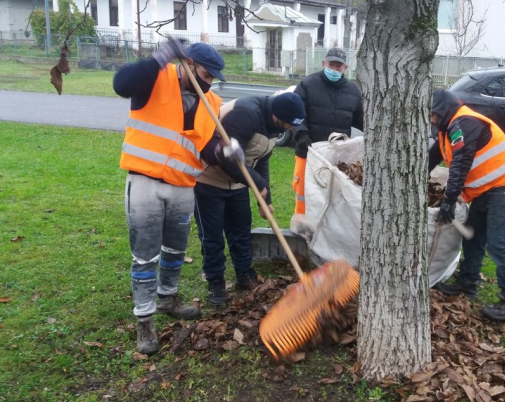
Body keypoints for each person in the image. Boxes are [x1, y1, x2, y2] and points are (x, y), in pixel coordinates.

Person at [113, 40, 241, 355]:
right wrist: (161, 58)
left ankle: (167, 298)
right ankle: (144, 319)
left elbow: (205, 146)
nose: (208, 81)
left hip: (184, 186)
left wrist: (224, 151)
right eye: (205, 73)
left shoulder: (211, 101)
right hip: (146, 182)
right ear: (186, 64)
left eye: (213, 77)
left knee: (175, 249)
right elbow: (121, 84)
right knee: (145, 254)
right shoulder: (154, 79)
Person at [194, 92, 307, 306]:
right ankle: (216, 283)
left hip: (237, 184)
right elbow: (228, 158)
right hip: (209, 181)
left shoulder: (276, 126)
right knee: (212, 237)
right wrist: (257, 183)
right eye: (289, 124)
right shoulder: (246, 114)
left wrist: (265, 199)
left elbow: (260, 162)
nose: (290, 129)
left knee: (240, 232)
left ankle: (244, 274)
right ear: (279, 115)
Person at [429, 89, 505, 321]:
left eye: (432, 114)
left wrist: (449, 202)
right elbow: (434, 156)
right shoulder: (447, 129)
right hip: (487, 190)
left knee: (498, 242)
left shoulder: (464, 123)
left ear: (442, 110)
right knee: (473, 238)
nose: (431, 120)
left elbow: (460, 166)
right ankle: (467, 283)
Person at [292, 47, 364, 214]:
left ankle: (327, 231)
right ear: (324, 63)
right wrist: (301, 134)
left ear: (345, 68)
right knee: (304, 191)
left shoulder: (353, 91)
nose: (334, 69)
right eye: (331, 64)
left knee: (333, 195)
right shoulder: (307, 85)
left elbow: (361, 119)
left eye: (338, 66)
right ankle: (302, 226)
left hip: (337, 156)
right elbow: (295, 113)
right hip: (308, 151)